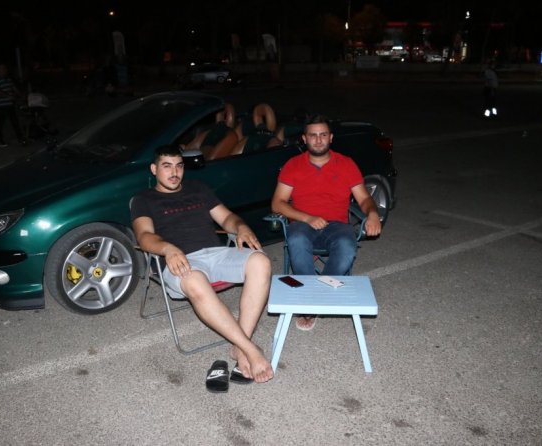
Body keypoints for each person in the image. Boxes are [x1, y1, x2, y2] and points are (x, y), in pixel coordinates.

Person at [131, 144, 274, 384]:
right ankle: (250, 350)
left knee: (260, 261)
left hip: (216, 254)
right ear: (154, 169)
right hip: (180, 261)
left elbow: (227, 217)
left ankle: (240, 346)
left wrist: (241, 227)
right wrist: (168, 248)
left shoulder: (198, 188)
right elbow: (144, 236)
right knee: (195, 280)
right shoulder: (143, 199)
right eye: (167, 166)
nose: (174, 172)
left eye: (179, 166)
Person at [271, 114, 382, 331]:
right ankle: (315, 299)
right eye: (313, 135)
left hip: (337, 225)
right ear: (304, 138)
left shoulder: (346, 164)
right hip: (303, 223)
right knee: (297, 238)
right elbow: (277, 203)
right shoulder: (293, 165)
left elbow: (364, 199)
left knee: (347, 245)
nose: (318, 140)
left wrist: (372, 213)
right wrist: (308, 218)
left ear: (331, 138)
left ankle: (312, 298)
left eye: (323, 135)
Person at [0, 63, 26, 148]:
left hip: (9, 104)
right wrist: (9, 96)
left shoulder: (8, 79)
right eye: (2, 69)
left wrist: (20, 95)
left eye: (4, 69)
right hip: (0, 106)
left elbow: (14, 88)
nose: (4, 70)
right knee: (0, 123)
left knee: (15, 122)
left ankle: (20, 138)